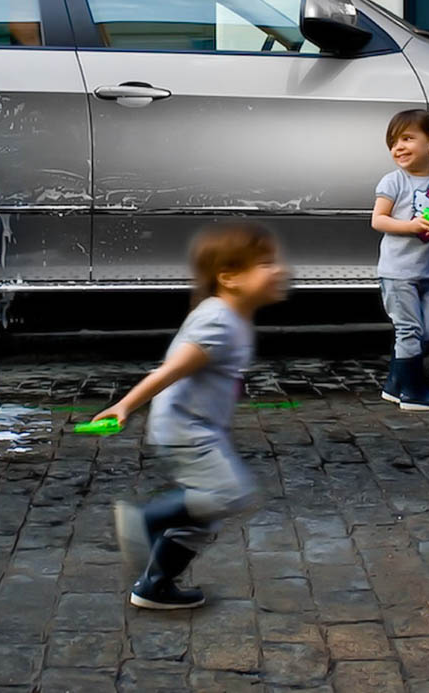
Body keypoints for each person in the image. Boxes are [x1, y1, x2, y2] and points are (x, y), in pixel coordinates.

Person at [92, 224, 288, 609]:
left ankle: (155, 586)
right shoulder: (219, 322)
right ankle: (145, 520)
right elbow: (170, 371)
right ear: (228, 277)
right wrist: (125, 406)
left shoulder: (230, 315)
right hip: (185, 428)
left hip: (197, 426)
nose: (279, 270)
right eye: (265, 263)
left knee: (205, 515)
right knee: (229, 493)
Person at [372, 109, 429, 410]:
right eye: (393, 142)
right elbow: (379, 220)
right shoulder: (393, 182)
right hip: (398, 272)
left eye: (407, 139)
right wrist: (410, 226)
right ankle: (413, 392)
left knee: (428, 332)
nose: (398, 147)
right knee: (409, 331)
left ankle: (395, 384)